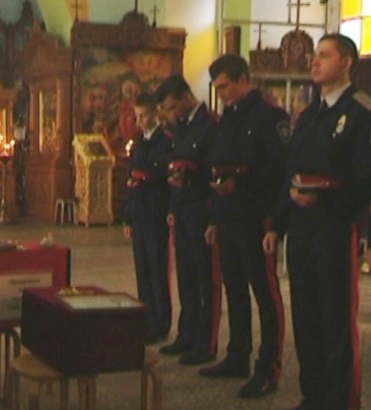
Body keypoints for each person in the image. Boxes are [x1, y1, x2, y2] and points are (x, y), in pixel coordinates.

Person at [264, 34, 371, 410]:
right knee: (306, 316)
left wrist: (325, 199)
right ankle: (314, 396)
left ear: (346, 63)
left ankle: (341, 401)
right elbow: (290, 172)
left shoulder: (359, 114)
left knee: (335, 318)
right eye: (315, 55)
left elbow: (364, 178)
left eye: (324, 55)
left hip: (334, 228)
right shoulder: (309, 115)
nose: (314, 61)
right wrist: (276, 224)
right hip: (302, 229)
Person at [199, 54, 288, 399]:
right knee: (234, 288)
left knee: (264, 293)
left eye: (225, 87)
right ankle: (237, 355)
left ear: (243, 80)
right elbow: (217, 165)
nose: (221, 94)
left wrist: (273, 221)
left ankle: (268, 368)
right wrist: (213, 217)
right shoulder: (226, 119)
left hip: (256, 218)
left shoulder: (270, 117)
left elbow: (278, 172)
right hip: (228, 216)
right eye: (217, 88)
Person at [155, 74, 221, 365]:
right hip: (182, 208)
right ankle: (187, 334)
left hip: (201, 209)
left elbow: (214, 170)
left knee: (205, 277)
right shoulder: (181, 127)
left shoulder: (210, 125)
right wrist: (172, 204)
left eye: (172, 107)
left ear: (186, 97)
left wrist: (214, 218)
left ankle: (205, 343)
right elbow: (175, 162)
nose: (170, 115)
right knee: (185, 275)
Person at [123, 92, 172, 344]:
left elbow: (164, 174)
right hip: (140, 212)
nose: (139, 121)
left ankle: (160, 323)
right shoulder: (138, 142)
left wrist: (147, 177)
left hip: (156, 212)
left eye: (143, 116)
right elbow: (131, 179)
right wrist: (128, 218)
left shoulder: (166, 142)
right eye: (137, 116)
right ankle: (146, 318)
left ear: (155, 114)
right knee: (142, 270)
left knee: (157, 269)